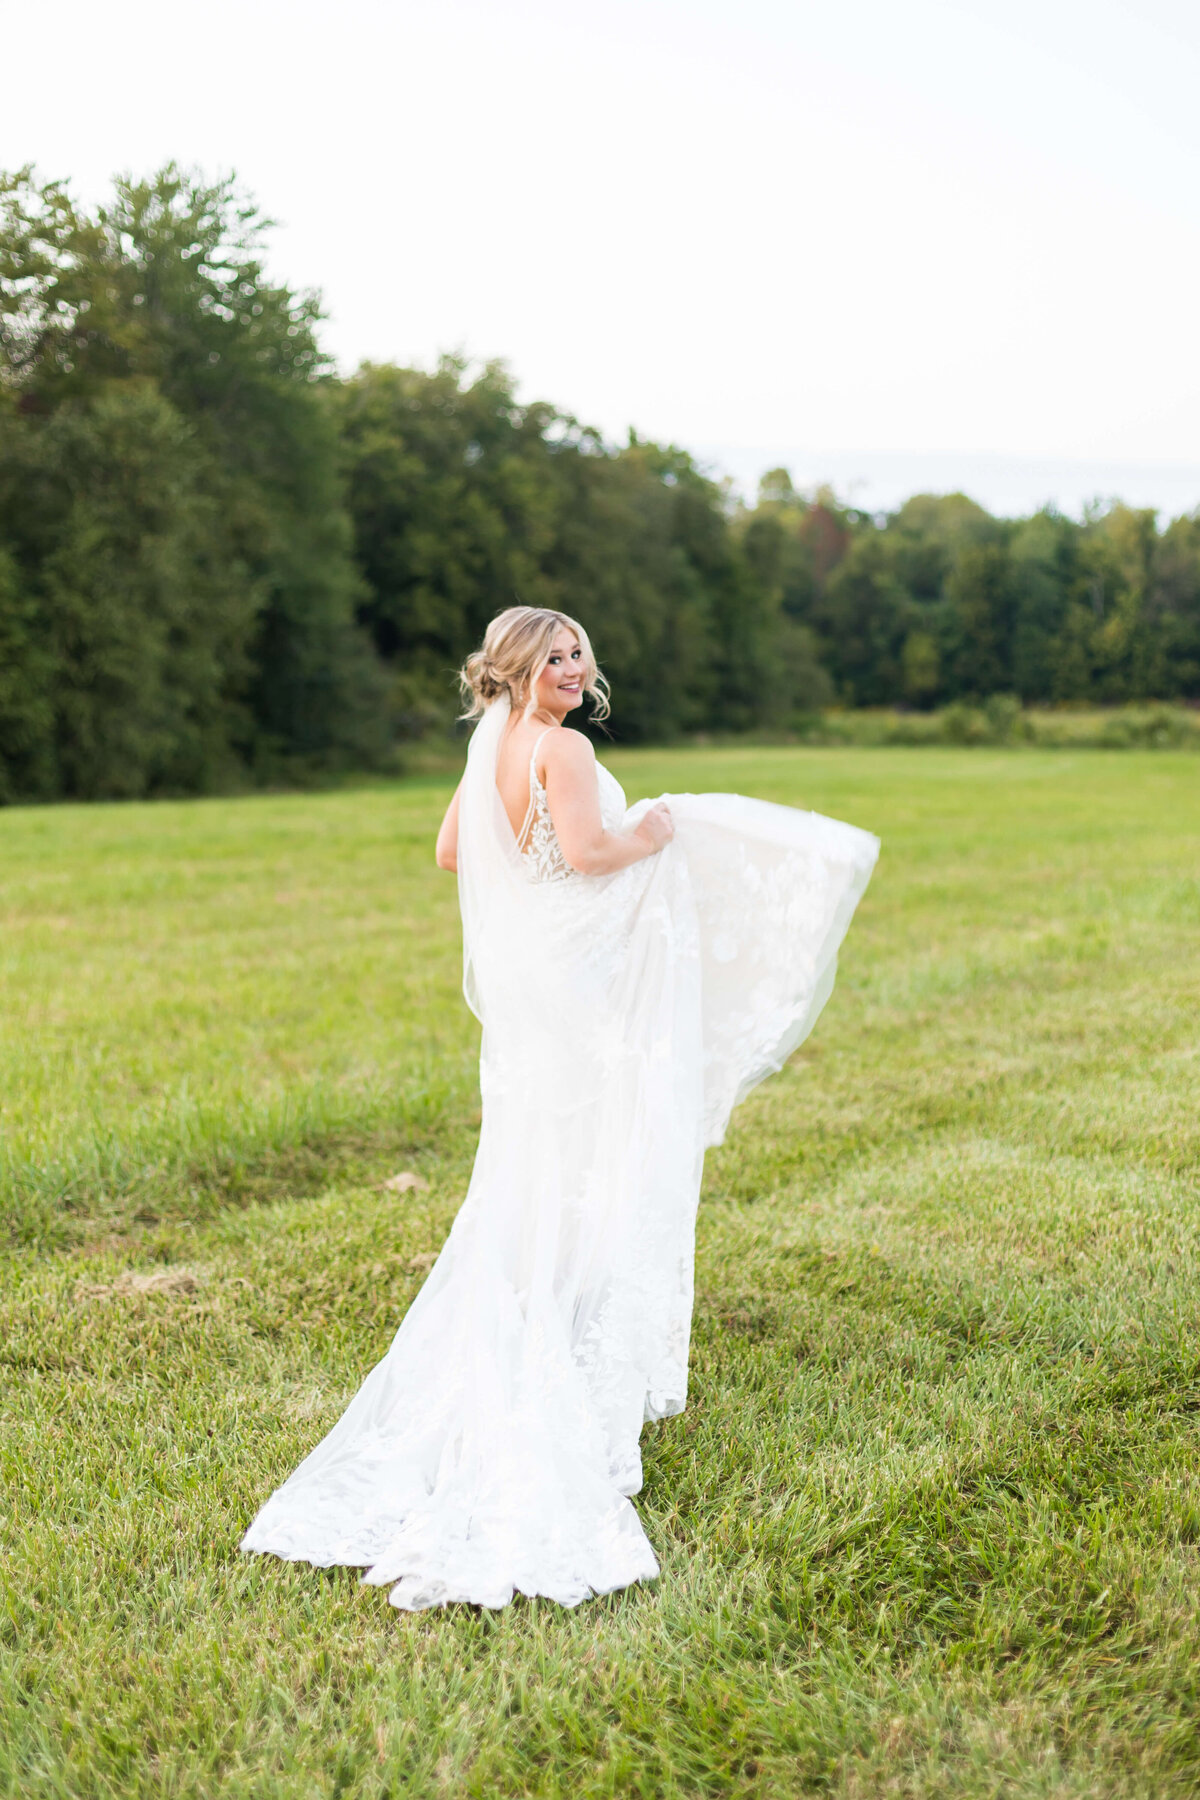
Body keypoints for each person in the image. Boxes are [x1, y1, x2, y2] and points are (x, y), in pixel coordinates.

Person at [241, 606, 879, 1610]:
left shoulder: (492, 743)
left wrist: (552, 867)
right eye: (555, 655)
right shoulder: (566, 751)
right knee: (603, 1161)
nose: (576, 668)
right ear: (516, 668)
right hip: (579, 997)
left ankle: (535, 1320)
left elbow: (457, 852)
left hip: (533, 993)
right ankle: (563, 1357)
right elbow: (586, 855)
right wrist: (651, 832)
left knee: (534, 1170)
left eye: (580, 650)